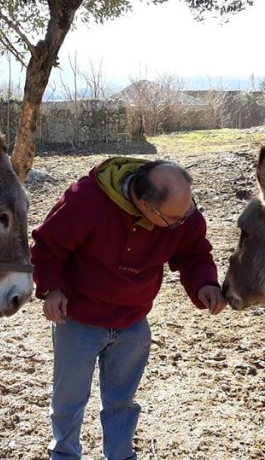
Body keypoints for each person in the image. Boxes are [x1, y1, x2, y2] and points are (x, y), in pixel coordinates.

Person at [30, 157, 227, 460]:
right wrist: (52, 288)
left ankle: (120, 456)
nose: (185, 219)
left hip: (133, 322)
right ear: (146, 206)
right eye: (175, 218)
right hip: (79, 319)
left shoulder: (181, 214)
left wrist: (205, 284)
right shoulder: (85, 200)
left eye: (189, 208)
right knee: (68, 400)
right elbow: (47, 247)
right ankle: (65, 455)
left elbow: (194, 252)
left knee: (122, 401)